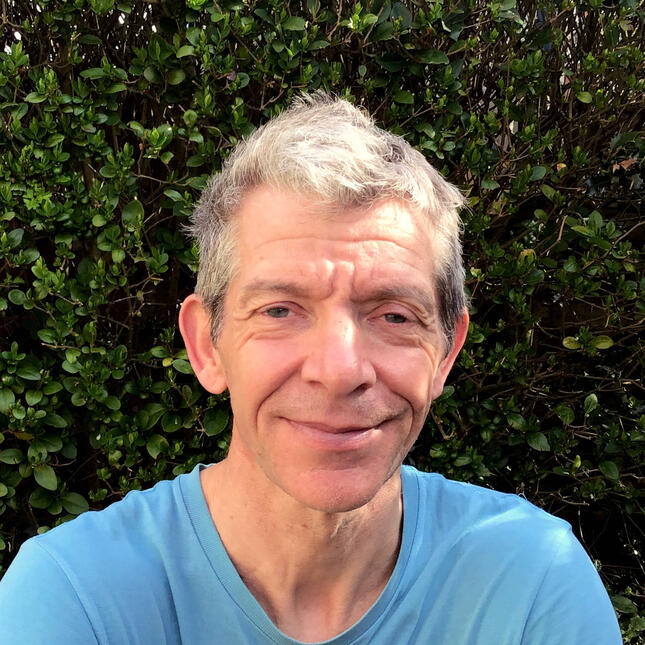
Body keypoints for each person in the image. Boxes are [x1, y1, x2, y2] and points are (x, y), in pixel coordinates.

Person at [0, 94, 621, 644]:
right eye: (280, 310)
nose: (341, 370)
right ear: (206, 345)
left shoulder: (534, 584)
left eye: (394, 316)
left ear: (446, 352)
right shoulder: (74, 596)